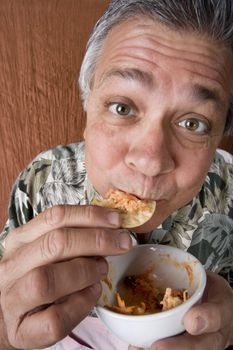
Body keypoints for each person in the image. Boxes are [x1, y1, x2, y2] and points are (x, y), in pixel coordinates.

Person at [0, 0, 233, 349]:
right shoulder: (40, 184)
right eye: (121, 107)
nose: (150, 161)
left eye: (193, 123)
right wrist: (5, 330)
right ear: (87, 104)